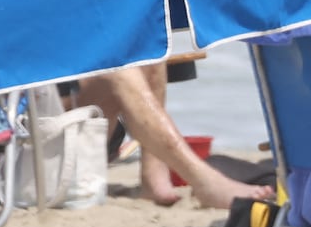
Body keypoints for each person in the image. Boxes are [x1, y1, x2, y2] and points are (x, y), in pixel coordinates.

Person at [74, 62, 273, 208]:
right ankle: (203, 181)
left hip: (77, 130)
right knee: (119, 69)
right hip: (54, 145)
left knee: (146, 54)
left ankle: (154, 176)